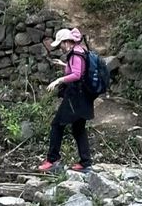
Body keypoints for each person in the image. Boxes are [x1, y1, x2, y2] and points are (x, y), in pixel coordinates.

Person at [38, 27, 94, 173]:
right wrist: (64, 65)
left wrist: (58, 80)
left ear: (67, 42)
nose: (61, 48)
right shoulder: (81, 51)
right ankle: (86, 162)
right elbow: (80, 70)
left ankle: (52, 159)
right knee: (78, 128)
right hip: (84, 97)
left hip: (75, 96)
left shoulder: (75, 53)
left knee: (57, 125)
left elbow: (76, 75)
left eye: (61, 45)